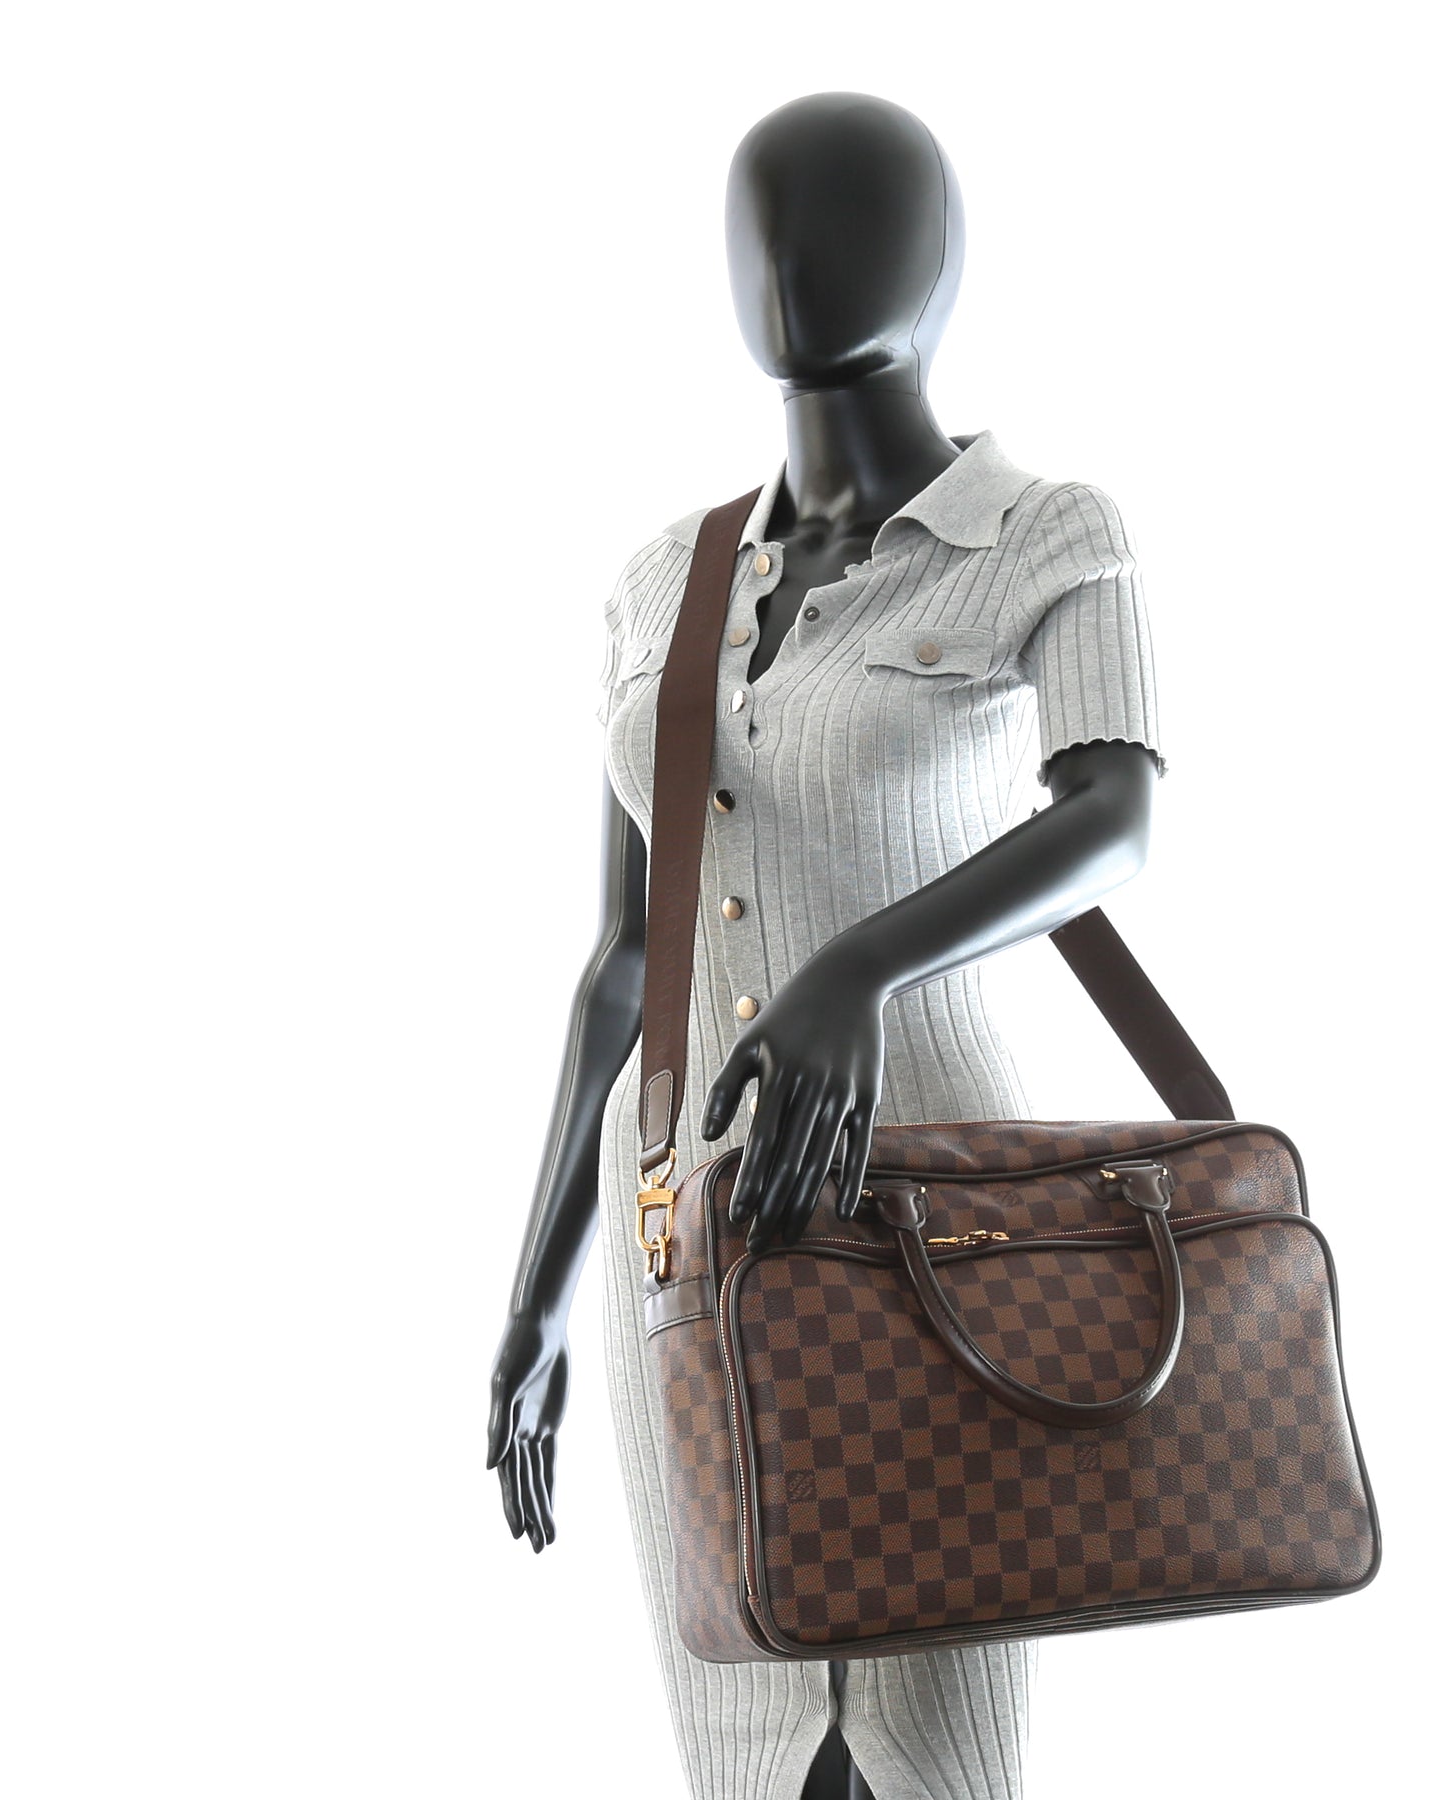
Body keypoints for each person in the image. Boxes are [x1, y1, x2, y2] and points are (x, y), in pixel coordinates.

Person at [488, 91, 1164, 1800]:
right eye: (761, 225)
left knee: (941, 1742)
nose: (798, 261)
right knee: (747, 1747)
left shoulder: (1047, 534)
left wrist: (858, 964)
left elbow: (1114, 817)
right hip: (687, 1246)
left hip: (942, 1213)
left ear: (940, 263)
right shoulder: (662, 582)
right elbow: (622, 961)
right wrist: (537, 1299)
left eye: (851, 220)